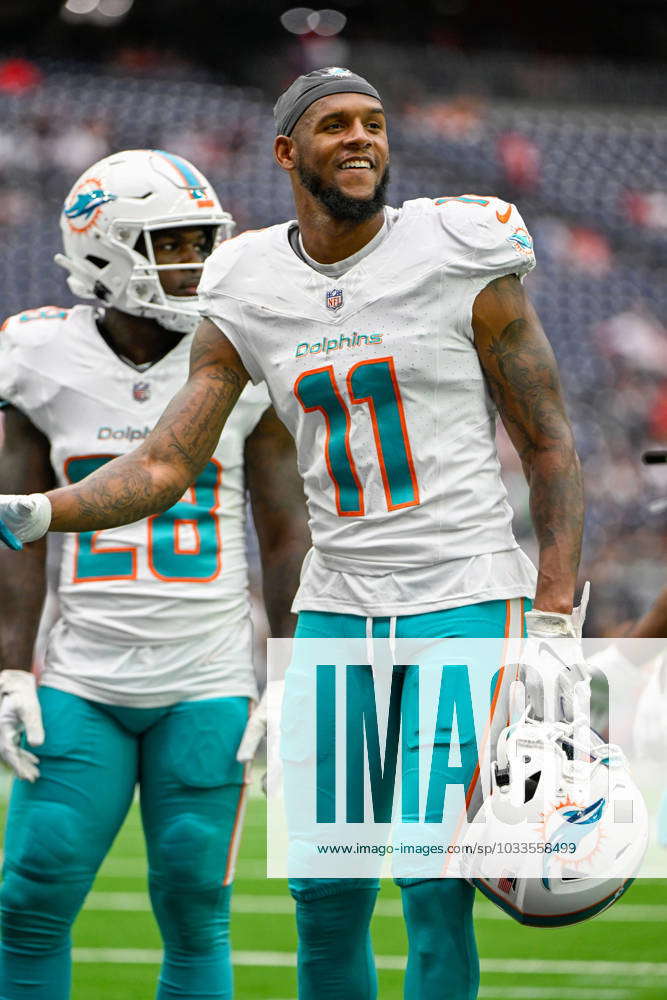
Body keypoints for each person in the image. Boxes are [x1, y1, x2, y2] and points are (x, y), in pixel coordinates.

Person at [0, 71, 585, 1000]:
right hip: (334, 611)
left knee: (436, 886)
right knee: (324, 891)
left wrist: (554, 614)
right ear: (286, 153)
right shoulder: (245, 278)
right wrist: (43, 510)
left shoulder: (460, 244)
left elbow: (550, 445)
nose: (360, 140)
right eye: (335, 126)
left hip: (464, 598)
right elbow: (164, 462)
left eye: (374, 123)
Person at [0, 148, 308, 1000]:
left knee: (193, 902)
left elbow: (286, 536)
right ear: (103, 250)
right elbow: (14, 526)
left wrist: (289, 675)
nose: (196, 263)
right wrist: (7, 669)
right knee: (30, 900)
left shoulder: (239, 356)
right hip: (77, 678)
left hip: (205, 680)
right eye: (171, 243)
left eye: (202, 241)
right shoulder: (34, 354)